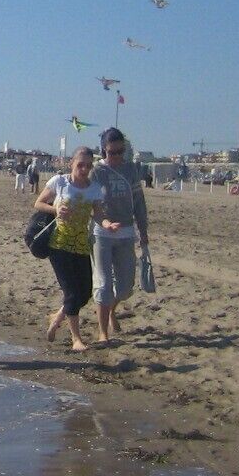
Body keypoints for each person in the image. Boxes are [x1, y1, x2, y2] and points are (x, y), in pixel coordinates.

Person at [35, 146, 105, 351]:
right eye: (80, 165)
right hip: (59, 244)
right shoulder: (60, 182)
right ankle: (76, 339)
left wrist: (107, 224)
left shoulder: (94, 188)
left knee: (85, 293)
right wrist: (55, 208)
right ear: (71, 164)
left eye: (88, 166)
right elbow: (38, 203)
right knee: (72, 293)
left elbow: (98, 215)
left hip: (81, 245)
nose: (84, 169)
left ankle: (57, 317)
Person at [92, 128, 147, 344]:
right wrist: (104, 222)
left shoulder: (131, 169)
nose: (116, 157)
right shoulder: (96, 172)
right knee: (104, 285)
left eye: (120, 152)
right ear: (103, 151)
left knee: (125, 288)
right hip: (101, 234)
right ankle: (103, 332)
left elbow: (139, 201)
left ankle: (111, 309)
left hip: (126, 233)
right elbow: (91, 204)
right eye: (111, 153)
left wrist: (143, 230)